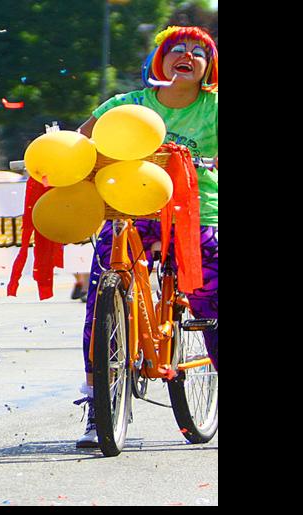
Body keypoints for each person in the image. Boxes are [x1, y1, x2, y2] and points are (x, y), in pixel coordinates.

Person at [71, 25, 218, 450]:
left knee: (211, 301)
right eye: (176, 49)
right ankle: (97, 403)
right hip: (129, 210)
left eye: (198, 51)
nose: (186, 55)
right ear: (159, 60)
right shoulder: (126, 105)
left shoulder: (213, 108)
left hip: (197, 214)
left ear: (209, 66)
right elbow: (82, 141)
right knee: (101, 293)